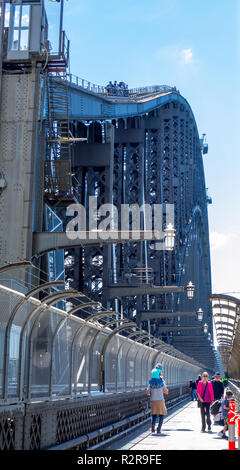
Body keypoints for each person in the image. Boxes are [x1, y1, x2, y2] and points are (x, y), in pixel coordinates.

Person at [147, 363, 168, 434]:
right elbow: (166, 391)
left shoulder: (150, 382)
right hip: (160, 400)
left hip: (153, 400)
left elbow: (147, 392)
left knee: (154, 415)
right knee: (162, 415)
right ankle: (158, 429)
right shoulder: (162, 381)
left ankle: (152, 428)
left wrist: (152, 393)